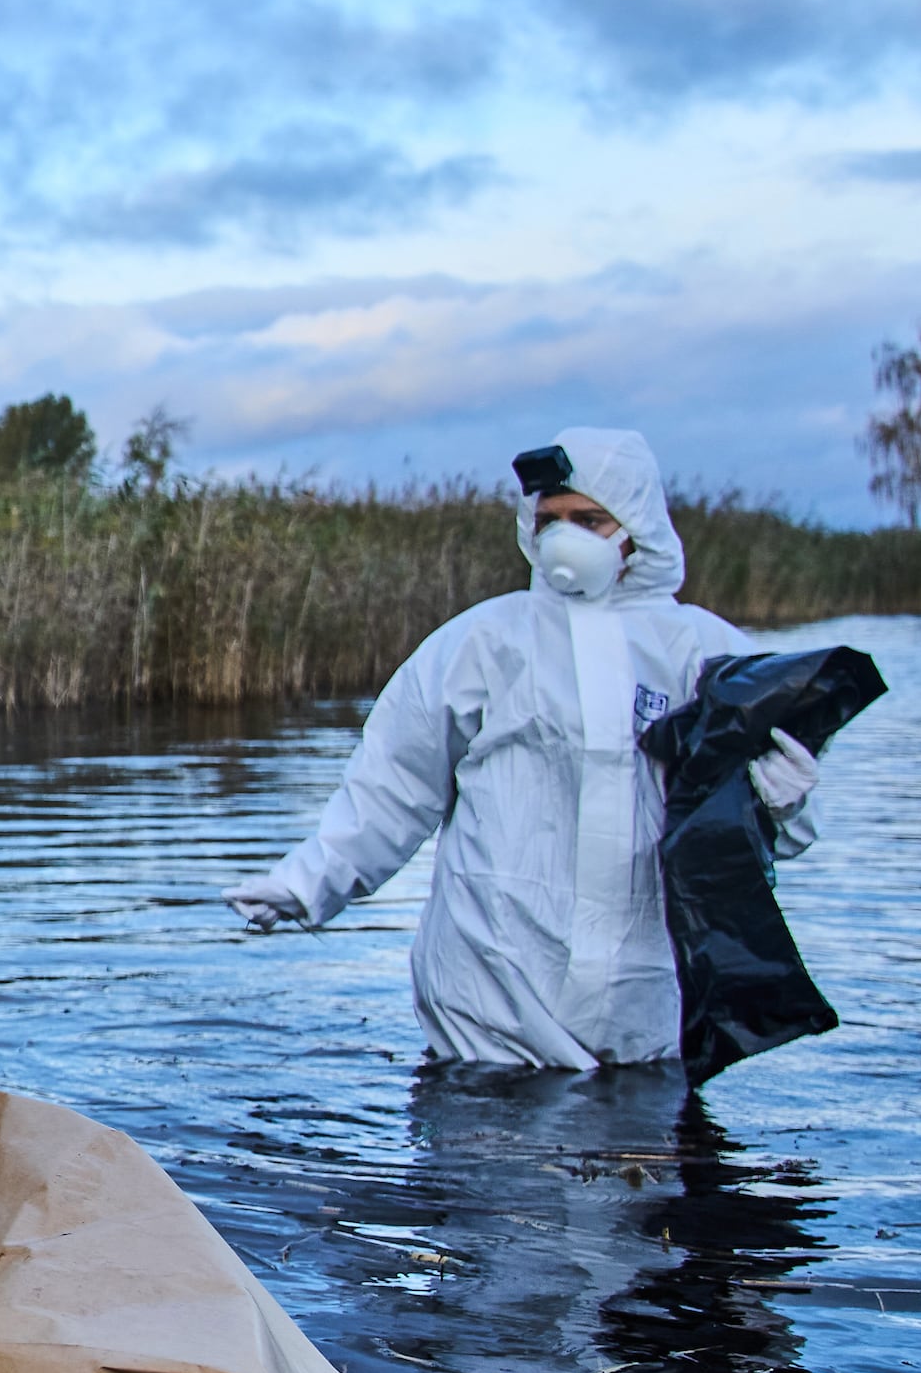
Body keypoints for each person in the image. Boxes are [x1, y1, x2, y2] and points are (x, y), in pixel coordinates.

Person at [224, 427, 822, 1071]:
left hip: (647, 1008)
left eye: (589, 519)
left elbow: (769, 838)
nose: (564, 536)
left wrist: (783, 804)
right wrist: (305, 884)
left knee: (639, 1164)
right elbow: (392, 790)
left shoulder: (707, 653)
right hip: (488, 1003)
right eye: (550, 519)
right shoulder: (483, 643)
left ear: (637, 524)